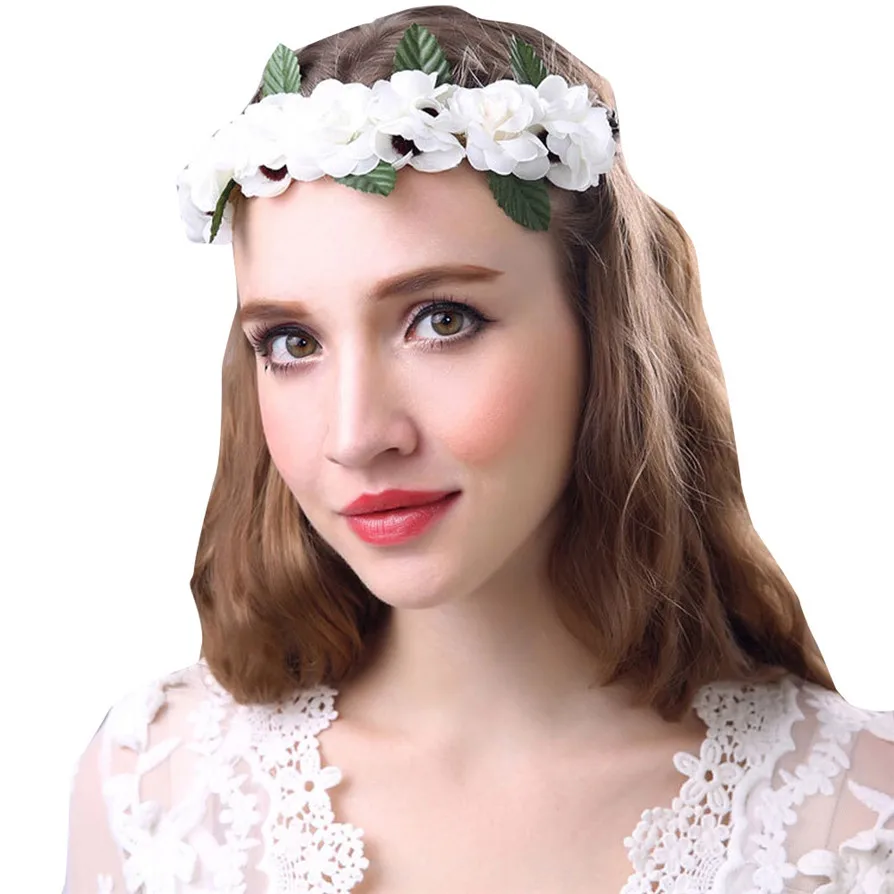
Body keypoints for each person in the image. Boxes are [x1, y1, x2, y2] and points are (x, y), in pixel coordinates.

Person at [64, 5, 894, 893]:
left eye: (442, 320)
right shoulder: (156, 791)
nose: (356, 436)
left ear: (602, 330)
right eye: (293, 343)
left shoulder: (854, 821)